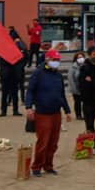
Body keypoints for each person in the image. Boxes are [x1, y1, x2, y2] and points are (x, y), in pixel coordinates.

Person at [25, 48, 72, 177]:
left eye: (58, 60)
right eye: (54, 60)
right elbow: (30, 91)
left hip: (56, 112)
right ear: (47, 59)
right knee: (43, 141)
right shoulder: (38, 74)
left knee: (53, 142)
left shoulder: (58, 75)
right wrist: (28, 107)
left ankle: (48, 165)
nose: (56, 62)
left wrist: (67, 110)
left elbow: (61, 94)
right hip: (42, 112)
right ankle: (36, 166)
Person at [68, 51, 85, 120]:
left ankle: (86, 114)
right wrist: (75, 89)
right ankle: (78, 115)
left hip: (84, 87)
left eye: (82, 57)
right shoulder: (73, 67)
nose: (80, 59)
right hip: (76, 88)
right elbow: (71, 79)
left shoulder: (85, 66)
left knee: (85, 102)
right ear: (76, 59)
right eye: (79, 57)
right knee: (77, 102)